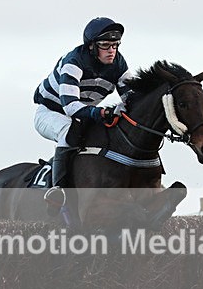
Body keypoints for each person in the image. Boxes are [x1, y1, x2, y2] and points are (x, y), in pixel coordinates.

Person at [34, 17, 133, 193]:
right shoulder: (74, 61)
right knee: (68, 130)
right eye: (105, 45)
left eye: (115, 45)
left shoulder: (118, 63)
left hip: (83, 116)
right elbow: (70, 107)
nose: (111, 51)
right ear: (91, 46)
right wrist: (101, 113)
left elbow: (132, 97)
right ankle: (58, 190)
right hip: (51, 112)